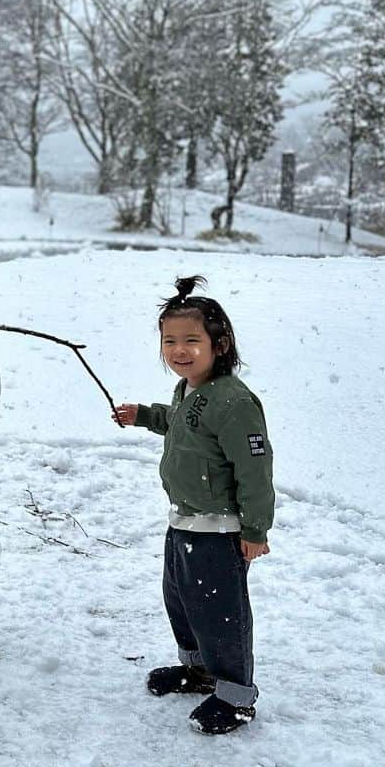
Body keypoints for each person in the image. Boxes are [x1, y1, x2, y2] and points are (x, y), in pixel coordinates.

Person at [113, 275, 273, 735]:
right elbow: (182, 425)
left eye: (191, 340)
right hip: (183, 522)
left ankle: (236, 696)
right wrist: (144, 415)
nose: (179, 350)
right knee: (183, 601)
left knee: (221, 612)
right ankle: (200, 671)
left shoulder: (235, 402)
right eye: (169, 341)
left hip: (220, 530)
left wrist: (255, 530)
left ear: (219, 344)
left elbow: (255, 469)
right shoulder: (189, 391)